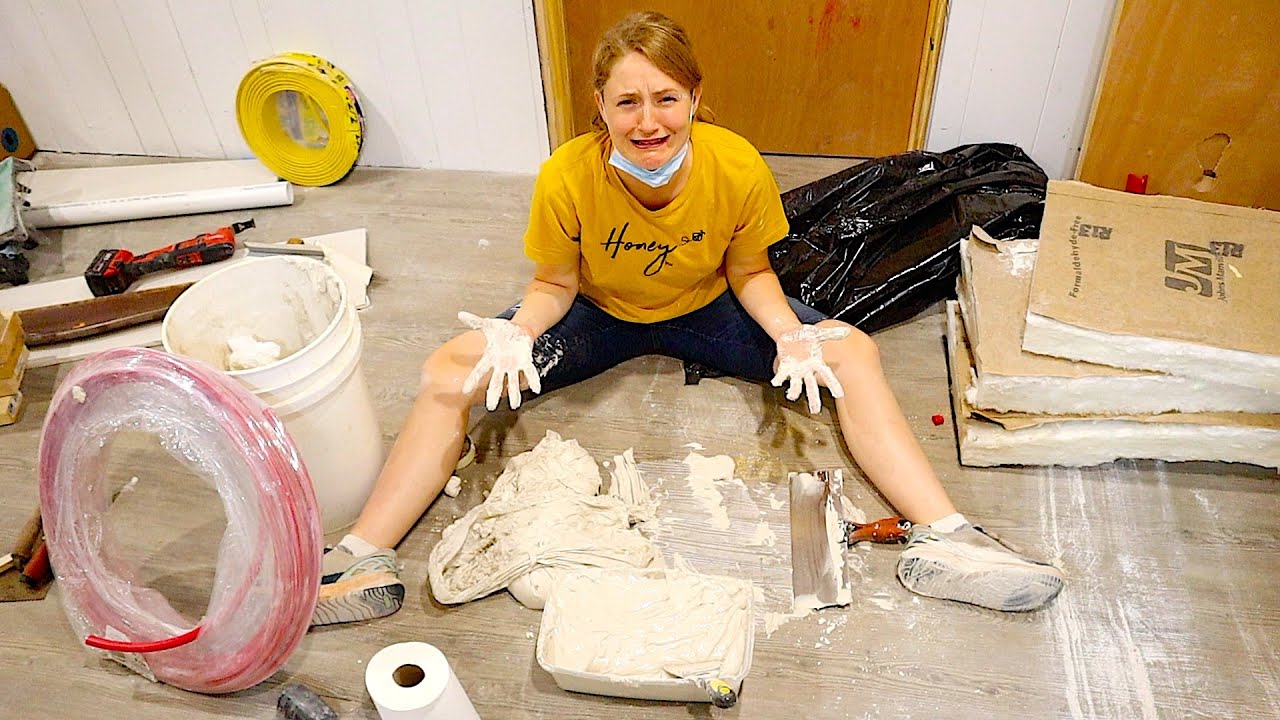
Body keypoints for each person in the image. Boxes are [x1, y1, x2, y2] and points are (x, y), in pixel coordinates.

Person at [310, 11, 1064, 627]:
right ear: (600, 107)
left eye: (666, 98)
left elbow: (751, 272)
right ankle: (362, 558)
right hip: (596, 317)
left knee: (852, 353)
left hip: (709, 311)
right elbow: (555, 282)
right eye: (627, 103)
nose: (648, 122)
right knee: (448, 369)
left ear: (695, 98)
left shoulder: (736, 166)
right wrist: (520, 332)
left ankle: (945, 538)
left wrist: (791, 334)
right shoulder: (566, 176)